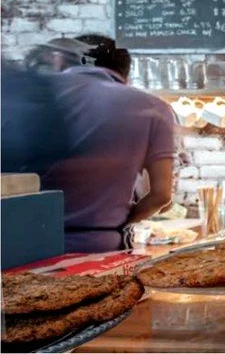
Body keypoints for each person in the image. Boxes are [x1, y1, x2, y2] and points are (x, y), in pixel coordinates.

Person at [38, 35, 178, 253]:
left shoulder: (31, 95)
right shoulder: (152, 108)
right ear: (126, 75)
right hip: (100, 248)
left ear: (62, 61)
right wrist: (118, 222)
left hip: (23, 244)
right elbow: (161, 195)